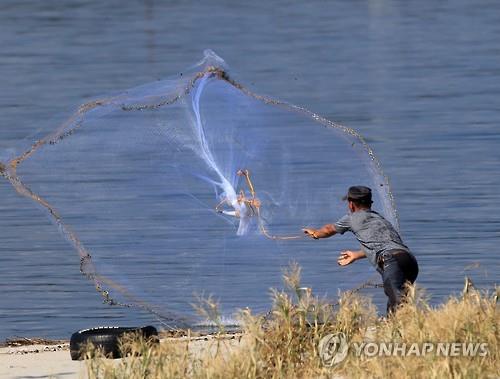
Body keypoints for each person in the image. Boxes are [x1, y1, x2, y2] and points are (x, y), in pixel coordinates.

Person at [303, 186, 418, 314]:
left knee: (398, 302)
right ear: (370, 204)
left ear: (351, 205)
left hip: (392, 262)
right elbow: (383, 244)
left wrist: (315, 234)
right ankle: (400, 330)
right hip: (409, 260)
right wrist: (356, 255)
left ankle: (405, 329)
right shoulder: (379, 219)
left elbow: (329, 229)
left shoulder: (352, 218)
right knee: (399, 302)